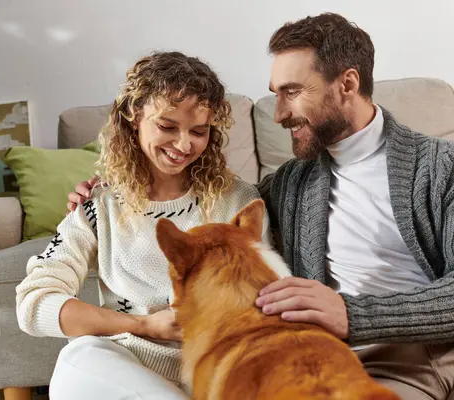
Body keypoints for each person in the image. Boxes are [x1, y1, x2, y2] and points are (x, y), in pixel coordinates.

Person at [68, 13, 454, 400]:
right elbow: (209, 224)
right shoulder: (284, 187)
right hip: (372, 363)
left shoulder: (449, 166)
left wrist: (352, 311)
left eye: (291, 93)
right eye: (275, 94)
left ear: (346, 84)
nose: (278, 112)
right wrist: (103, 192)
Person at [17, 51, 271, 400]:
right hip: (123, 367)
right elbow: (34, 304)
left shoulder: (238, 200)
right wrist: (144, 325)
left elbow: (263, 298)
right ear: (134, 117)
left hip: (212, 368)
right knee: (77, 358)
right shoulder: (98, 207)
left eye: (199, 131)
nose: (184, 145)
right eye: (167, 126)